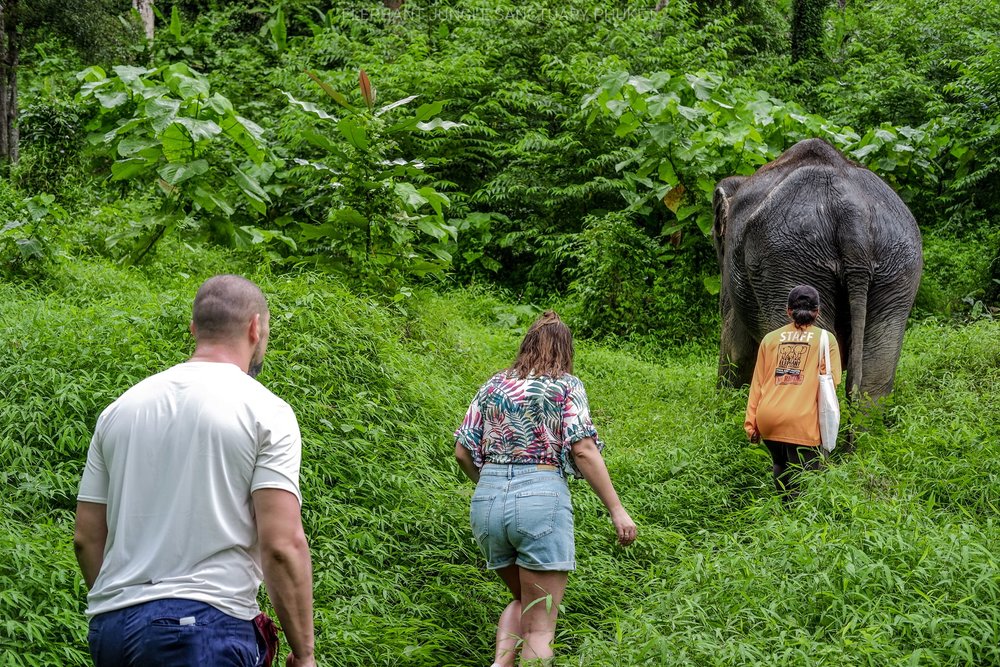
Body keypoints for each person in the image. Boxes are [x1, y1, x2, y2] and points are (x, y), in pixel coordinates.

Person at [73, 275, 316, 667]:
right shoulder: (266, 411)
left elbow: (86, 537)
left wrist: (124, 605)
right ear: (256, 328)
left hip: (112, 629)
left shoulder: (121, 410)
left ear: (194, 329)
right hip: (204, 627)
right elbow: (282, 546)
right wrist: (304, 654)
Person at [454, 310, 636, 667]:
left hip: (487, 500)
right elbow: (582, 448)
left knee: (524, 598)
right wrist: (617, 509)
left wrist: (492, 487)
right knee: (540, 628)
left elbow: (462, 452)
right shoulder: (566, 385)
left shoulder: (492, 385)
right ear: (565, 350)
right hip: (540, 495)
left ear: (526, 345)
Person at [745, 284, 842, 501]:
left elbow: (757, 383)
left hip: (769, 417)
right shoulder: (826, 340)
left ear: (788, 311)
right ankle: (800, 519)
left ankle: (784, 511)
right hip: (803, 420)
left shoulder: (770, 339)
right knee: (808, 474)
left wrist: (751, 423)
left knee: (780, 464)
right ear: (817, 311)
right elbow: (833, 381)